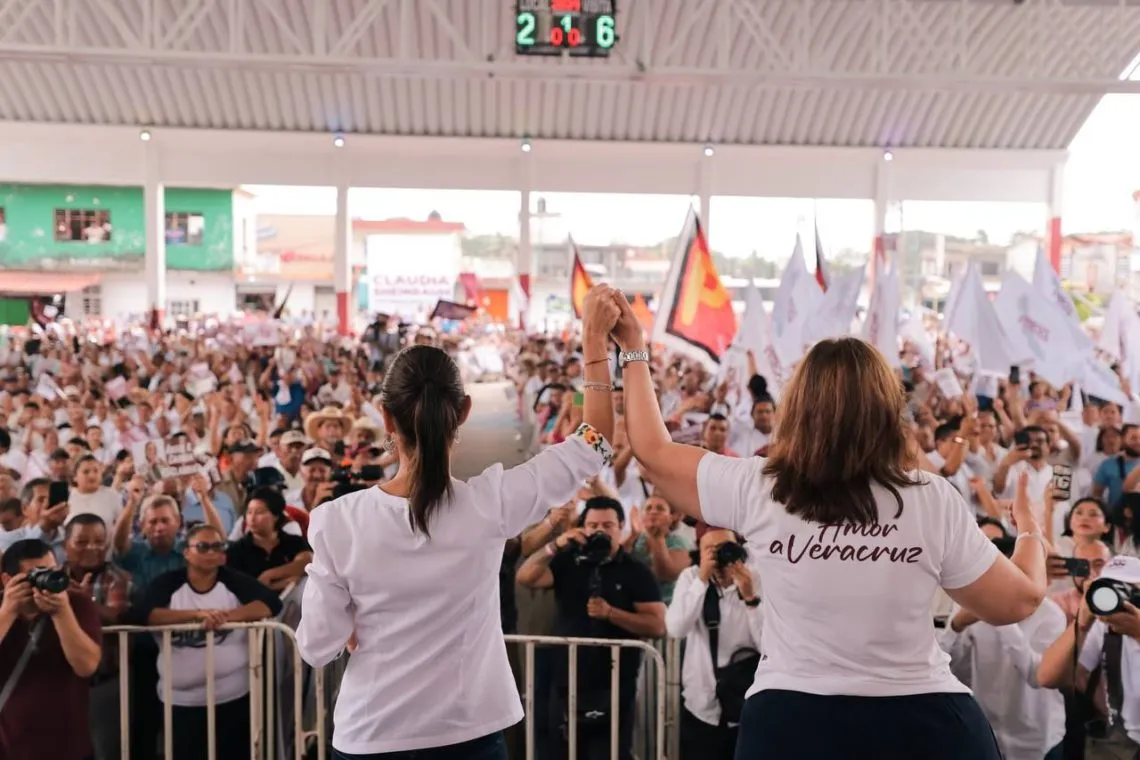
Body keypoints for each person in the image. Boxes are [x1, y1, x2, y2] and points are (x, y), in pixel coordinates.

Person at [610, 288, 1049, 760]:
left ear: (796, 408)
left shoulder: (758, 486)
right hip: (924, 723)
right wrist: (1030, 528)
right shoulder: (928, 497)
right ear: (887, 413)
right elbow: (1019, 598)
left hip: (792, 723)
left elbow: (653, 454)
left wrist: (632, 348)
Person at [296, 285, 620, 759]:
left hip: (371, 735)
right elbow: (595, 443)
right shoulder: (491, 505)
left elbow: (317, 647)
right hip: (470, 733)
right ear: (464, 412)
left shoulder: (336, 522)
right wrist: (595, 343)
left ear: (386, 417)